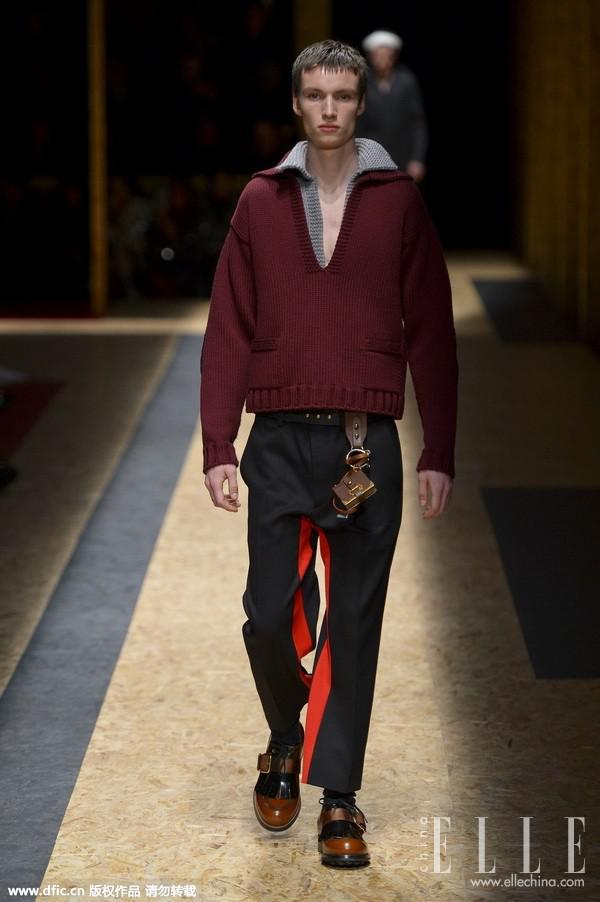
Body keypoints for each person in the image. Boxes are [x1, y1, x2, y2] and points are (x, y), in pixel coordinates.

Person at [200, 39, 458, 869]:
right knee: (267, 612)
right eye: (315, 94)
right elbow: (228, 326)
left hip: (363, 441)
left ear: (361, 102)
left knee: (353, 620)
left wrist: (439, 448)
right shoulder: (260, 200)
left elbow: (433, 327)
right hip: (277, 437)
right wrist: (218, 442)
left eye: (342, 95)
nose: (329, 109)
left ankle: (338, 792)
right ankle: (287, 732)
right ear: (296, 101)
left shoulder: (398, 204)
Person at [355, 29, 428, 182]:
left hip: (402, 155)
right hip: (370, 156)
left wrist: (416, 158)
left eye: (386, 54)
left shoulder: (407, 81)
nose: (382, 59)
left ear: (394, 56)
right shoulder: (363, 82)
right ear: (370, 56)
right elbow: (357, 122)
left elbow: (416, 122)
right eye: (377, 55)